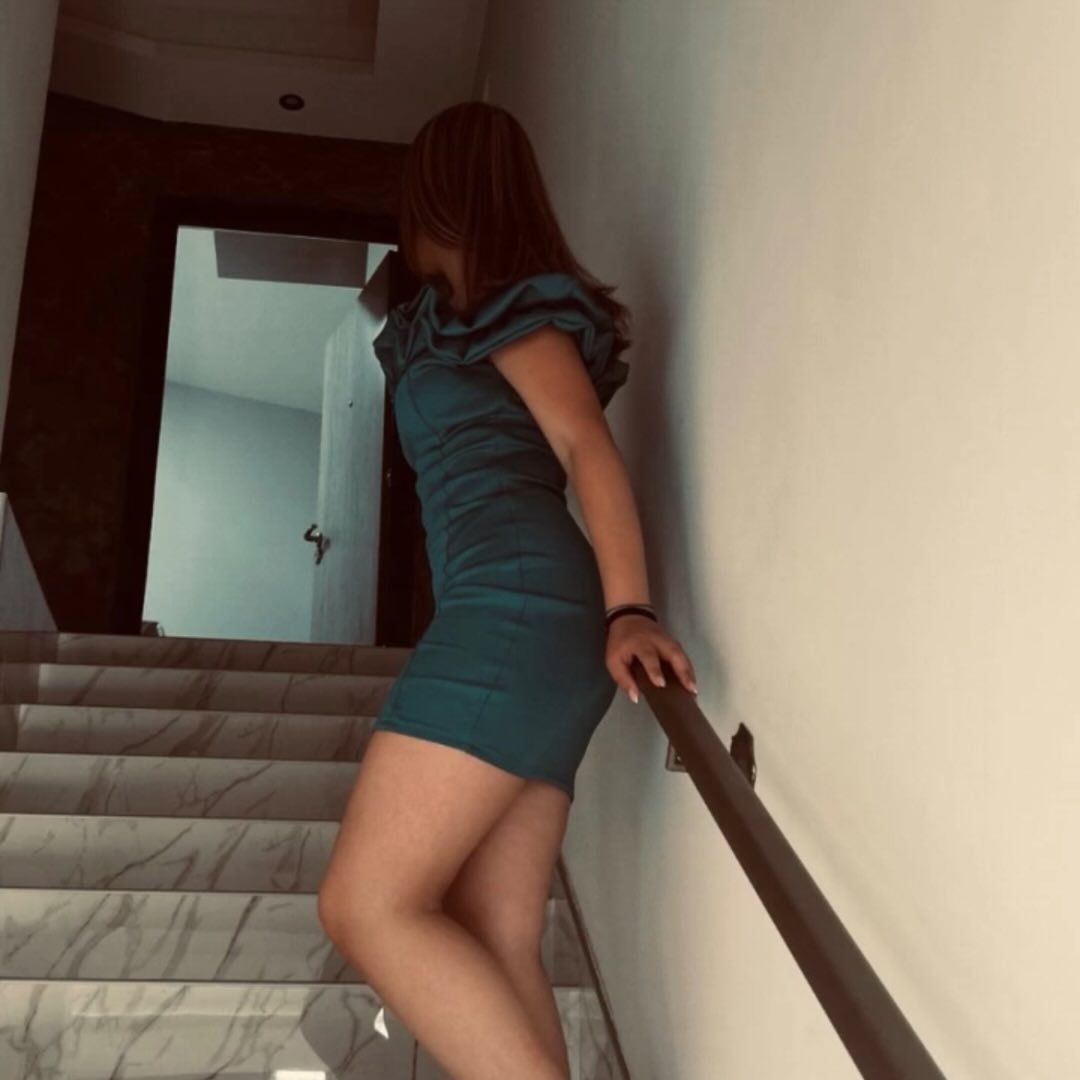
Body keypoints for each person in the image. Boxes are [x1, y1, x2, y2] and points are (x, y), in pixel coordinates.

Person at [317, 100, 697, 1080]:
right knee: (493, 925)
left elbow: (584, 445)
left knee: (363, 904)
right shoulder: (446, 322)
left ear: (437, 194)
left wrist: (630, 609)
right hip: (513, 610)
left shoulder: (510, 309)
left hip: (517, 608)